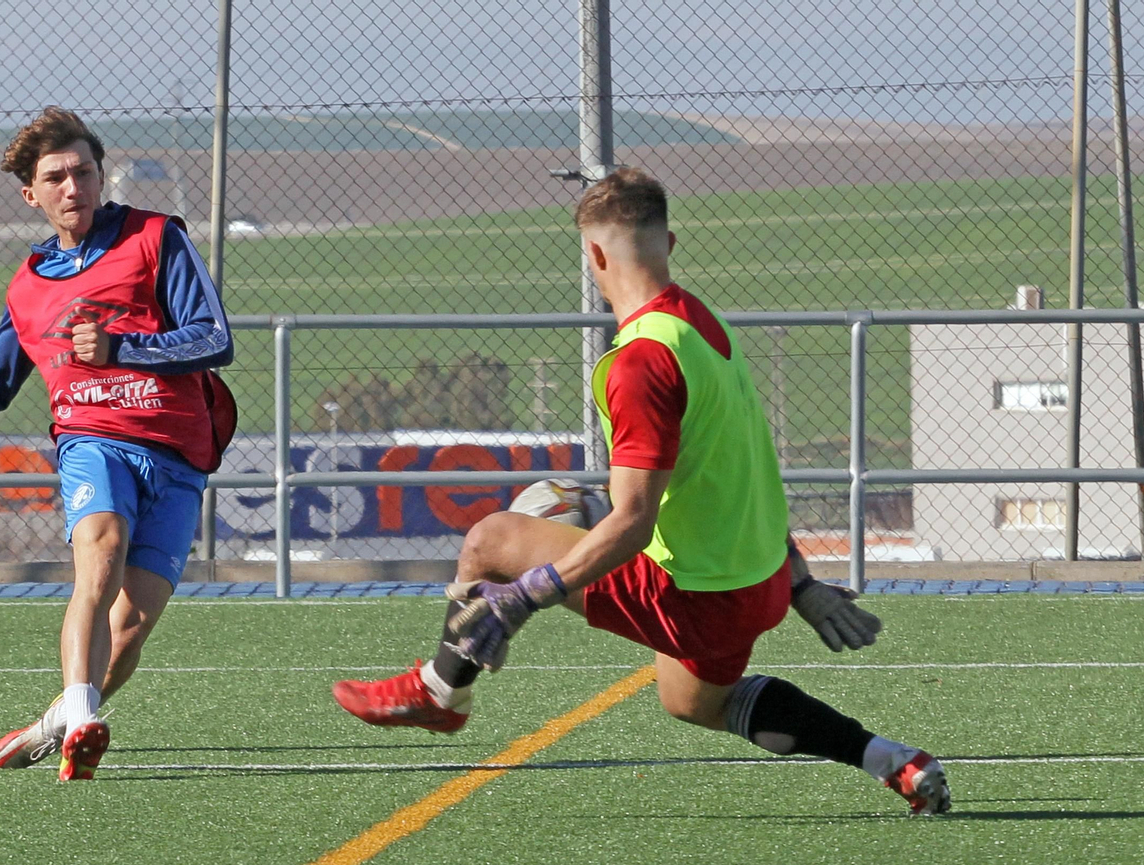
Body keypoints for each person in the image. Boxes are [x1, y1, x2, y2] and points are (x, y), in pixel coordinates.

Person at [332, 168, 949, 815]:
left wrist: (523, 597)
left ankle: (438, 693)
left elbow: (629, 521)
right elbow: (744, 474)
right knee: (691, 701)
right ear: (671, 243)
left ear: (594, 255)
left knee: (493, 539)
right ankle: (895, 761)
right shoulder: (703, 327)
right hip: (756, 582)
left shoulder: (639, 361)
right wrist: (800, 583)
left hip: (697, 594)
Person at [0, 107, 235, 781]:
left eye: (84, 172)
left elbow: (215, 339)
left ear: (101, 175)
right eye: (56, 178)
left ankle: (57, 723)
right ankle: (85, 713)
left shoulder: (157, 238)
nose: (73, 187)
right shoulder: (28, 287)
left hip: (177, 453)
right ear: (31, 194)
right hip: (91, 440)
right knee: (98, 555)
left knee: (128, 631)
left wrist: (122, 347)